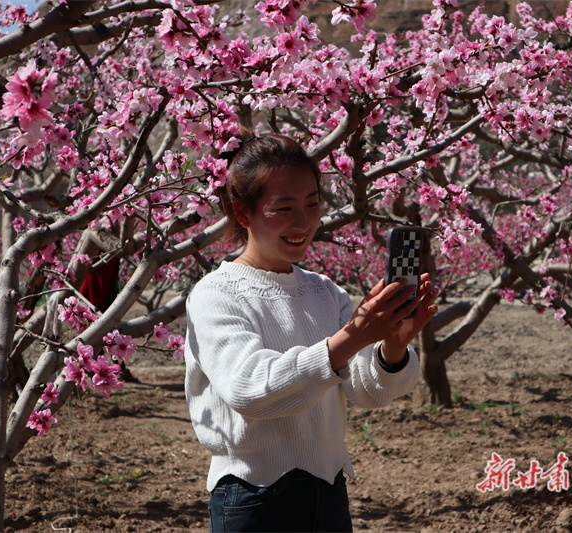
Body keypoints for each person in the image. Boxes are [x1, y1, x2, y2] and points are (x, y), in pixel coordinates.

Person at [183, 131, 439, 533]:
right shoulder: (215, 293)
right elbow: (249, 388)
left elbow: (364, 391)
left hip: (328, 492)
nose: (303, 222)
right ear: (243, 213)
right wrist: (351, 338)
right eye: (283, 208)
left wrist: (391, 347)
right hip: (253, 498)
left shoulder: (324, 291)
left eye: (313, 204)